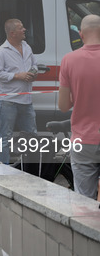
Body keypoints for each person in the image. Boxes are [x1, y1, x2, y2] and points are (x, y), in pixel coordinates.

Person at [58, 14, 100, 199]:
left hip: (83, 141)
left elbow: (63, 106)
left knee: (83, 201)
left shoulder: (69, 60)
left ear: (81, 34)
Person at [0, 18, 38, 165]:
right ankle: (4, 169)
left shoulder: (27, 47)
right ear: (12, 33)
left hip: (26, 100)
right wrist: (18, 75)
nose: (24, 30)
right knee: (5, 136)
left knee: (32, 136)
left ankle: (32, 168)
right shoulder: (1, 52)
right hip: (8, 101)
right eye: (21, 28)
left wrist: (32, 73)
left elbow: (35, 65)